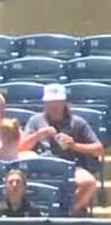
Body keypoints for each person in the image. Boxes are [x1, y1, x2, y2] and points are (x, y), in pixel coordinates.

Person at [24, 83, 103, 215]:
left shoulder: (77, 122)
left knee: (88, 182)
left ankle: (67, 213)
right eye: (50, 102)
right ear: (44, 103)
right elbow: (21, 147)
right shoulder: (36, 120)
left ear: (64, 103)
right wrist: (38, 134)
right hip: (42, 165)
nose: (54, 106)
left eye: (57, 102)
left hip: (70, 167)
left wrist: (74, 145)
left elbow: (98, 149)